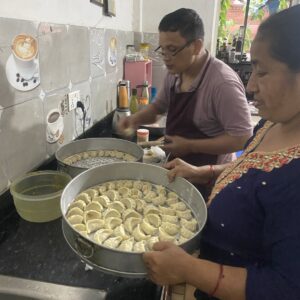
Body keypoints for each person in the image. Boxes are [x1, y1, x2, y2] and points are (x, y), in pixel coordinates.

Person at [143, 5, 300, 300]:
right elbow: (252, 168)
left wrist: (189, 269)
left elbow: (286, 288)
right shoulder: (273, 123)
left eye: (262, 71)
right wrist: (204, 172)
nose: (250, 86)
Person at [118, 8, 253, 198]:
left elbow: (243, 138)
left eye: (172, 50)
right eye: (162, 49)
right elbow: (159, 107)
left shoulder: (222, 83)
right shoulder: (175, 72)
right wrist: (134, 119)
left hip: (209, 180)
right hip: (178, 170)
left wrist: (191, 146)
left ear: (197, 46)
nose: (166, 58)